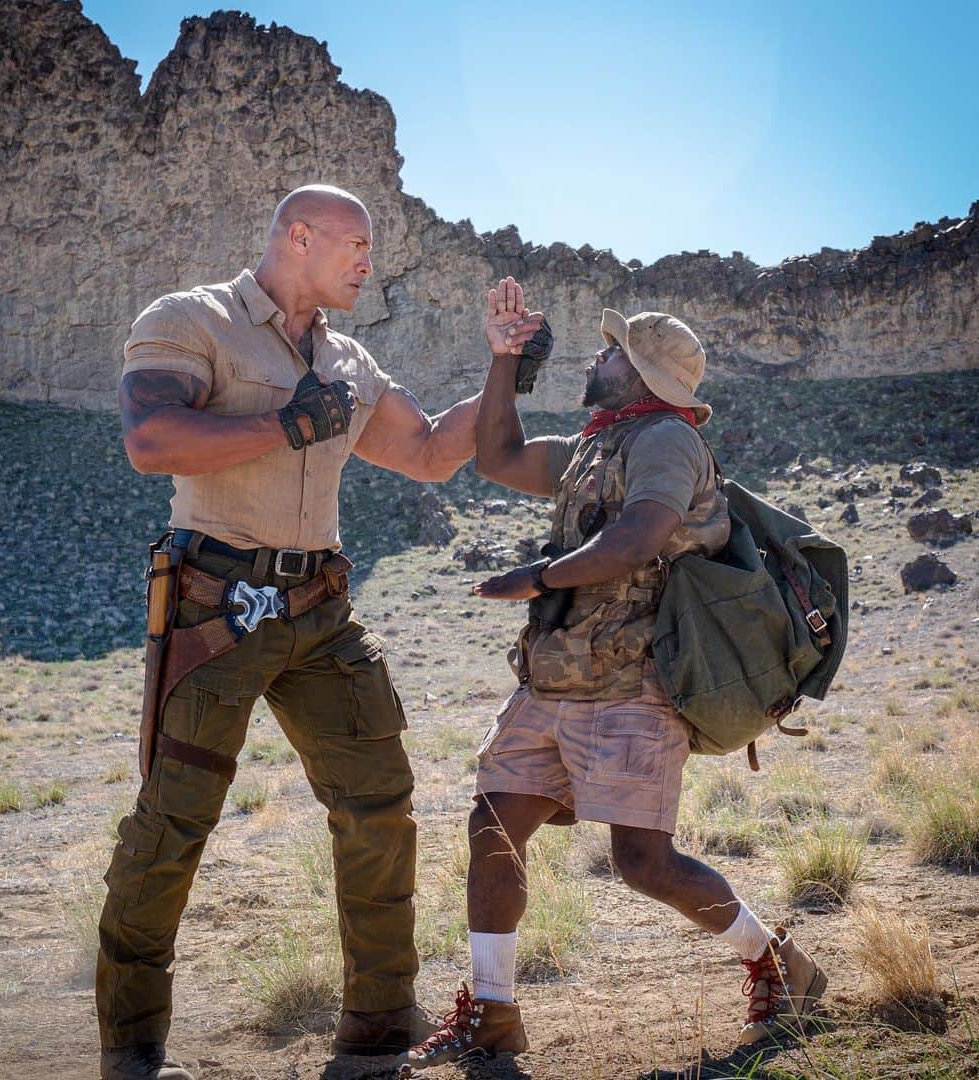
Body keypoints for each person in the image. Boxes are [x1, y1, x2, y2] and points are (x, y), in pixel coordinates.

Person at [95, 185, 543, 1080]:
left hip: (323, 612)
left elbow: (424, 453)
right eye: (355, 245)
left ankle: (377, 1028)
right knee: (173, 822)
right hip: (213, 607)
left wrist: (503, 369)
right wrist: (284, 424)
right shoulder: (192, 318)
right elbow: (151, 438)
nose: (367, 263)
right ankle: (133, 1052)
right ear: (298, 237)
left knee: (381, 808)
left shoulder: (349, 361)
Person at [403, 283, 827, 1070]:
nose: (596, 357)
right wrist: (502, 362)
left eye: (611, 351)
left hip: (635, 688)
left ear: (638, 374)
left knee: (643, 863)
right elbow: (495, 456)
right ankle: (493, 1014)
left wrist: (538, 578)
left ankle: (777, 962)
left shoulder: (667, 440)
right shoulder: (597, 444)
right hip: (552, 682)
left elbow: (637, 539)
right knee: (493, 829)